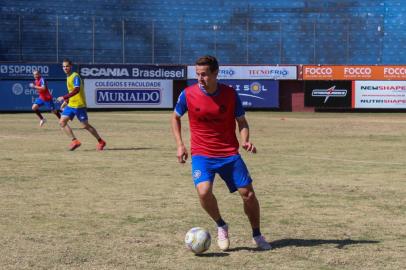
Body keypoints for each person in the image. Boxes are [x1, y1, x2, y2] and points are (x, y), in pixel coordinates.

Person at [171, 55, 271, 251]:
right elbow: (175, 118)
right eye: (197, 74)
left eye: (204, 74)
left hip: (228, 154)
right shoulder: (187, 94)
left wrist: (245, 140)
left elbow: (241, 122)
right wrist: (180, 144)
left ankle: (257, 235)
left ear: (216, 73)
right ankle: (221, 225)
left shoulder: (230, 94)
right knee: (204, 192)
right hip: (202, 154)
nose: (200, 79)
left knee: (248, 195)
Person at [57, 58, 106, 151]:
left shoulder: (75, 76)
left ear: (71, 66)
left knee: (85, 126)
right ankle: (75, 141)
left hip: (79, 105)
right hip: (71, 104)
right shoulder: (68, 77)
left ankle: (101, 141)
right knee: (62, 122)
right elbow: (71, 91)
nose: (65, 68)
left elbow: (77, 90)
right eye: (63, 66)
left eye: (67, 66)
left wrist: (64, 97)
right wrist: (66, 101)